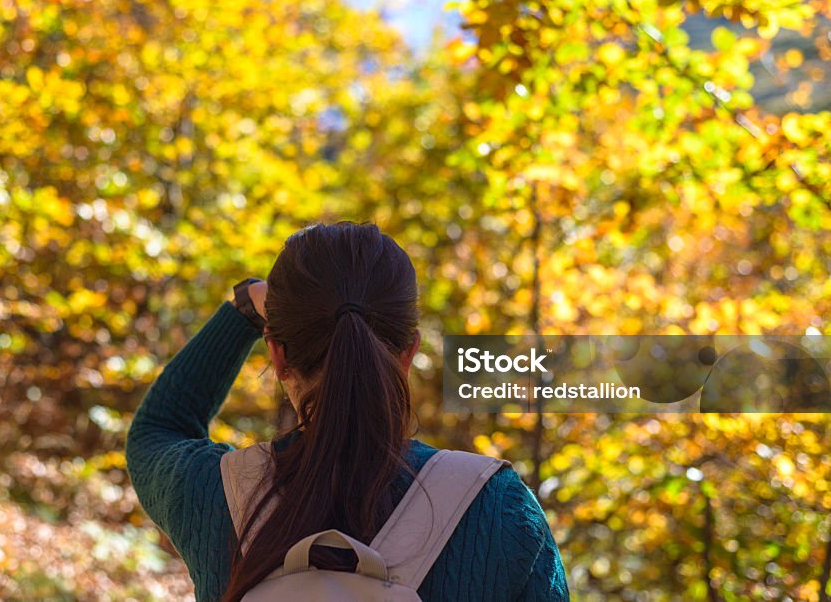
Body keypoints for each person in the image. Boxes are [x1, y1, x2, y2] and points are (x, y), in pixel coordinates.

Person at [126, 221, 569, 601]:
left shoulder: (216, 493)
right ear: (408, 352)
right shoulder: (496, 506)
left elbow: (157, 430)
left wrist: (244, 310)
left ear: (278, 357)